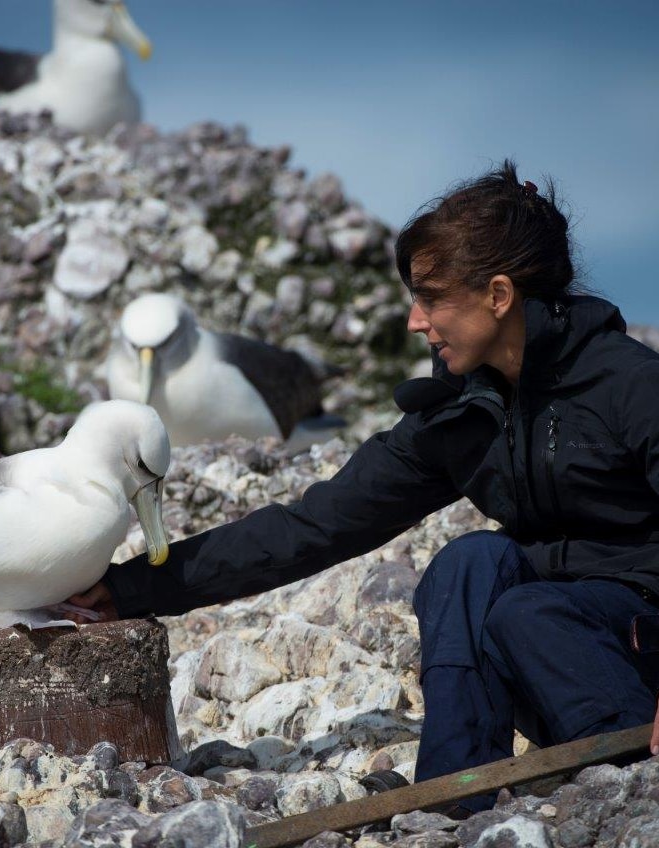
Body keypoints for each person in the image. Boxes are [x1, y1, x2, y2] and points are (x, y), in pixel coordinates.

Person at [68, 160, 659, 816]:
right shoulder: (465, 411)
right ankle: (456, 802)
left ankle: (623, 786)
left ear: (498, 296)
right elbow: (315, 525)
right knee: (469, 565)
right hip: (554, 653)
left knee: (528, 611)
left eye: (432, 297)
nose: (414, 320)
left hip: (637, 646)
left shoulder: (630, 385)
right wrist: (127, 589)